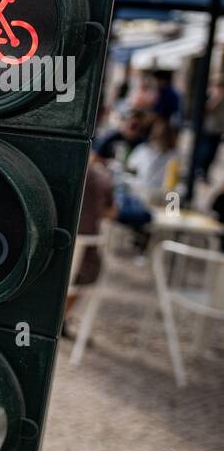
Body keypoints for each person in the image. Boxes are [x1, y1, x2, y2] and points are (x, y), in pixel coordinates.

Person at [65, 149, 115, 328]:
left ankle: (57, 317)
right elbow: (112, 212)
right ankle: (62, 316)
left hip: (48, 256)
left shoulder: (59, 170)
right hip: (80, 259)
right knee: (81, 268)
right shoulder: (101, 177)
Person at [126, 117, 181, 207]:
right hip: (143, 193)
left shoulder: (174, 156)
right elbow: (130, 168)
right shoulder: (144, 150)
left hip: (158, 195)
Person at [194, 76, 224, 183]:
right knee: (207, 151)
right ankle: (200, 171)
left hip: (217, 128)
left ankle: (203, 172)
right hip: (210, 127)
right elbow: (208, 108)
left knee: (211, 152)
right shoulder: (216, 94)